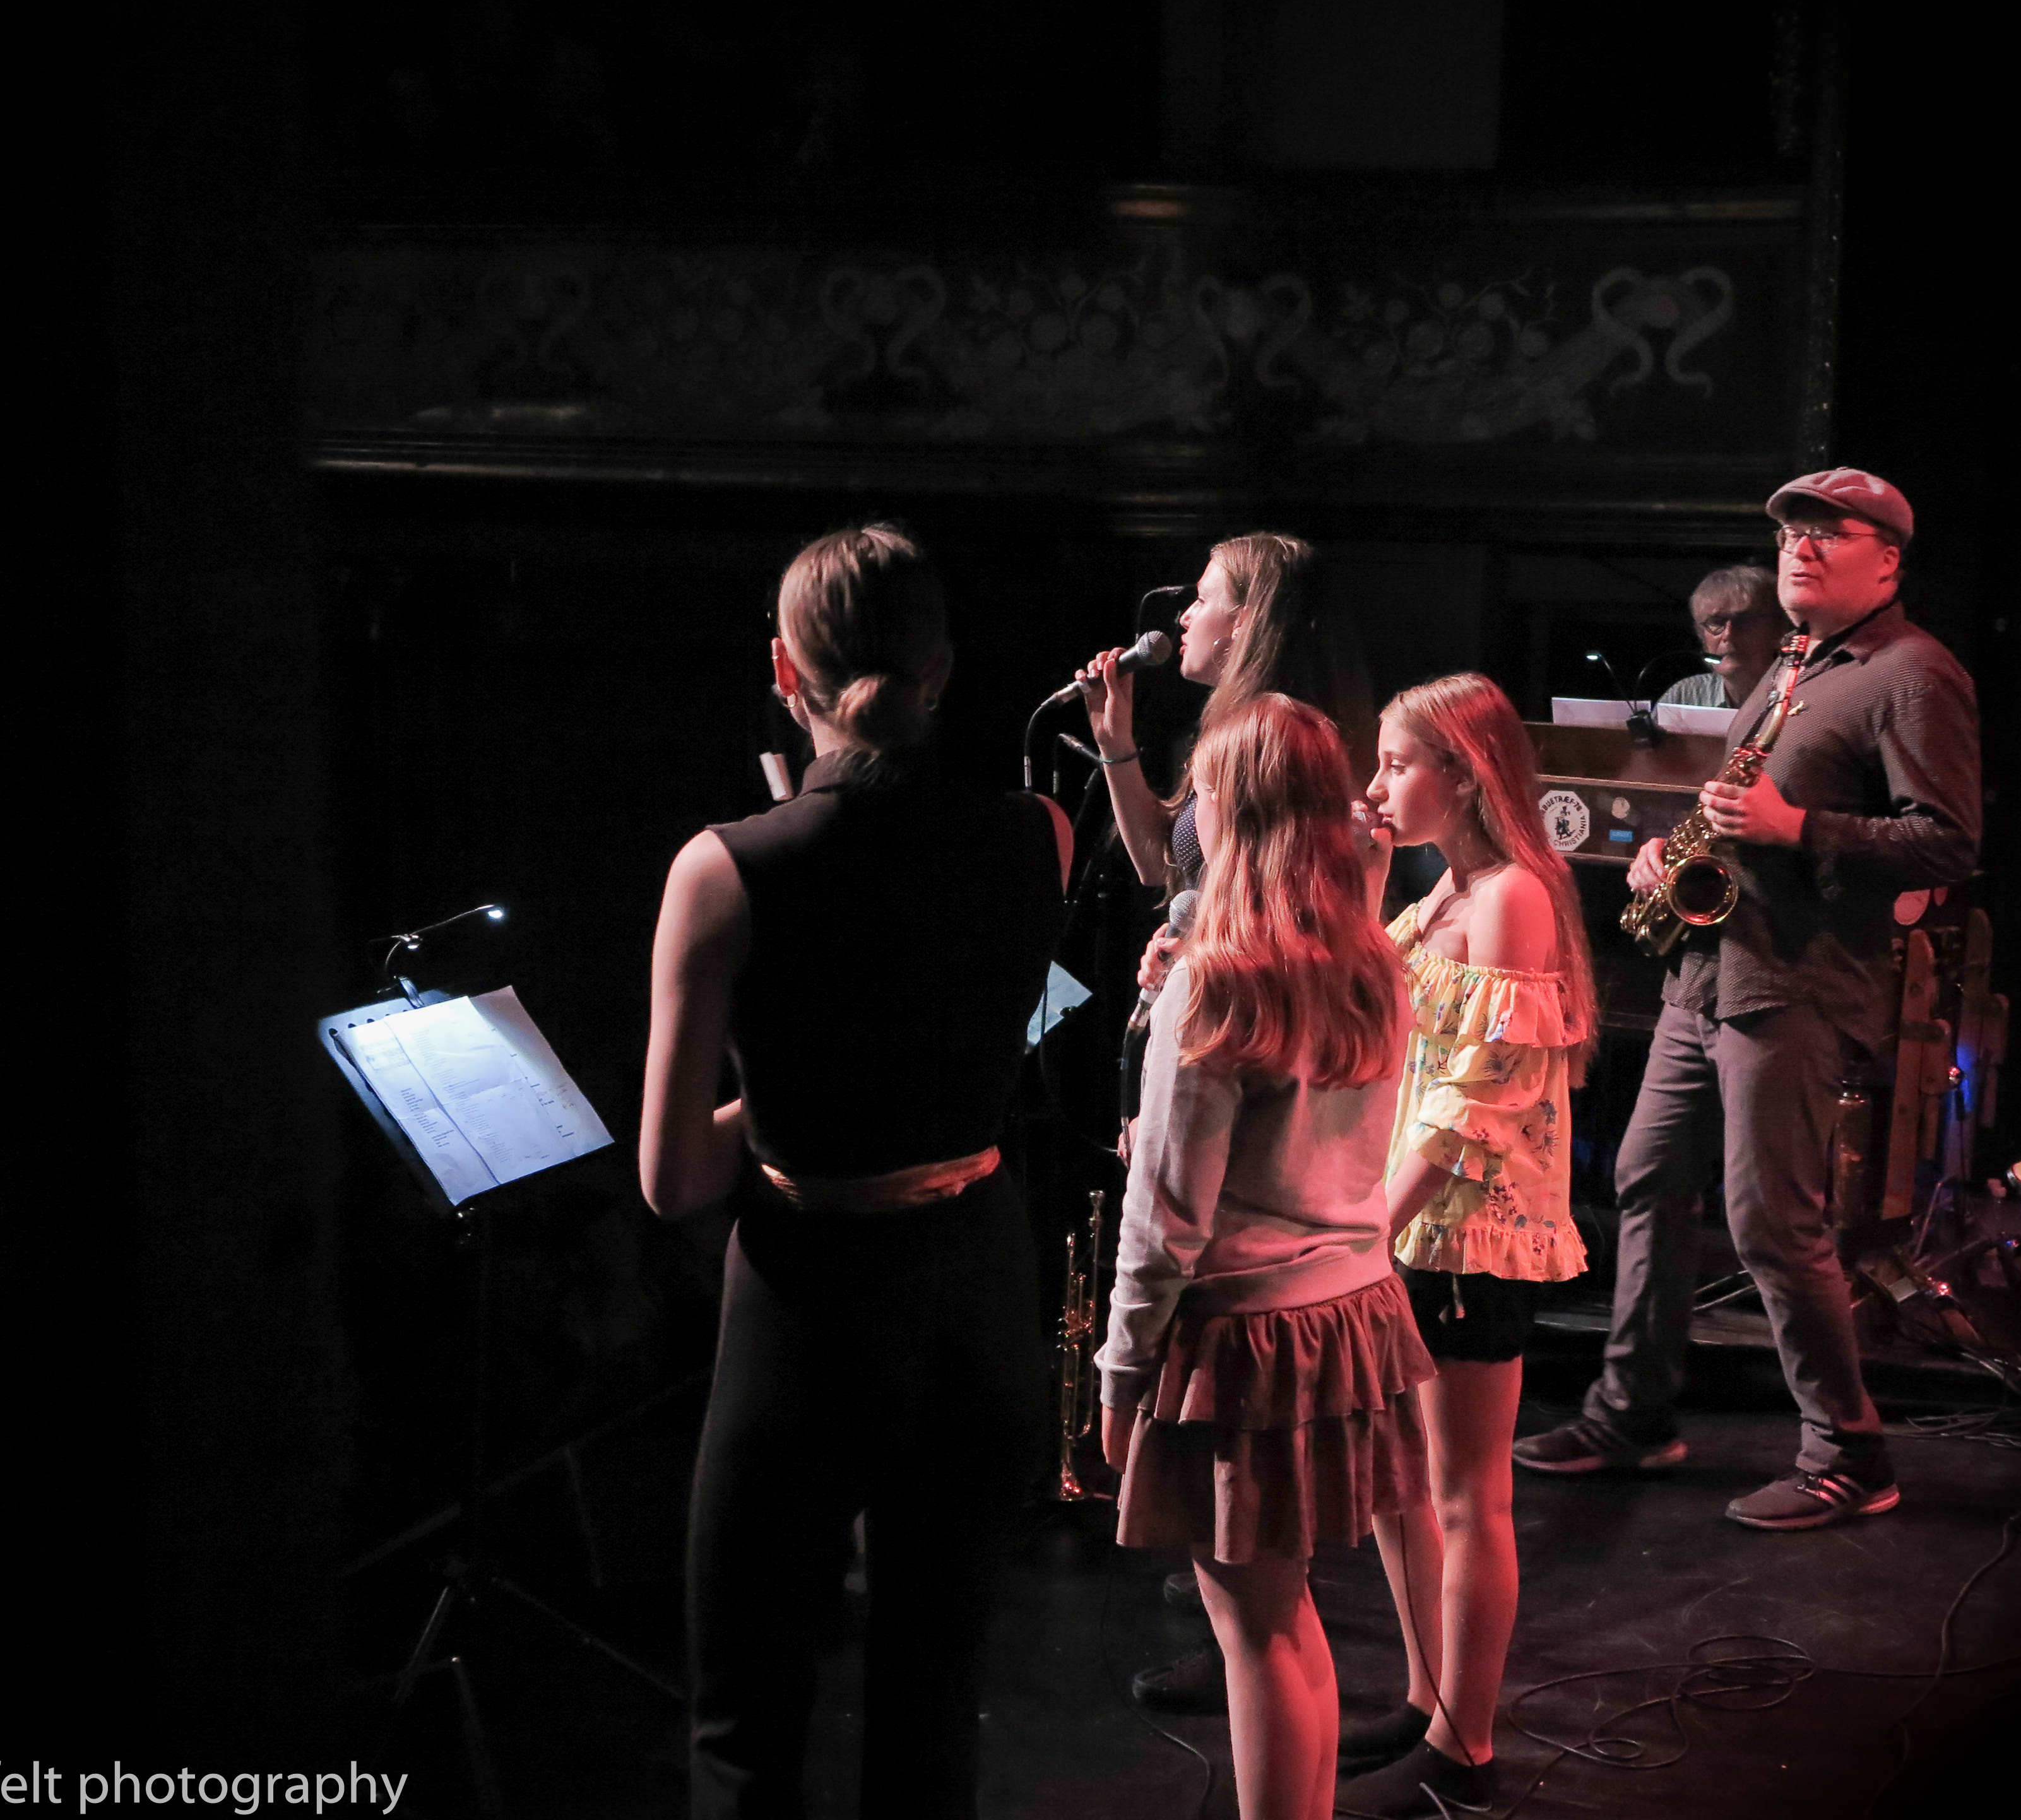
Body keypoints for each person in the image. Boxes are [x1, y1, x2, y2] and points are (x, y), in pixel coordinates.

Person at [639, 523, 1070, 1819]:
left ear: (785, 666)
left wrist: (778, 1090)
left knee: (745, 1726)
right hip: (975, 1288)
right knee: (931, 1702)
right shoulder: (1040, 833)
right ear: (939, 671)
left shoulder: (725, 867)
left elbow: (674, 1176)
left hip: (809, 1298)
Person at [1515, 468, 1982, 1530]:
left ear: (1890, 559)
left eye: (1833, 532)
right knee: (1645, 1175)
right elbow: (1740, 809)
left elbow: (1950, 839)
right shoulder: (1792, 667)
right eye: (1792, 535)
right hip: (1706, 971)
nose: (1803, 549)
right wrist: (1663, 855)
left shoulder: (1915, 673)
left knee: (1772, 1219)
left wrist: (1799, 830)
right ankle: (1632, 1409)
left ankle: (1848, 1451)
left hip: (1795, 984)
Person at [1096, 692, 1434, 1820]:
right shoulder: (1372, 960)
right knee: (1290, 1621)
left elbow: (1167, 1218)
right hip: (1353, 1312)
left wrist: (1118, 1370)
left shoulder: (1219, 976)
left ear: (1225, 813)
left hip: (1244, 1336)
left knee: (1256, 1629)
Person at [1341, 673, 1599, 1819]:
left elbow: (1481, 1095)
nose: (1377, 782)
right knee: (1403, 1483)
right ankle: (1423, 1689)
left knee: (1463, 1489)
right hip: (1408, 1217)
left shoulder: (1510, 896)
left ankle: (1468, 1737)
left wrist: (1378, 1222)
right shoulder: (1437, 891)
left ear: (1465, 770)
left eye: (1397, 762)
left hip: (1463, 1232)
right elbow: (1365, 1008)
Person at [1076, 531, 1374, 897]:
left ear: (1242, 623)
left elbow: (1257, 896)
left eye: (1201, 600)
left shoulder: (1270, 734)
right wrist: (1114, 738)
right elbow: (1158, 866)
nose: (1185, 617)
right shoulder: (1239, 725)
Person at [1658, 564, 1786, 709]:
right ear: (1701, 633)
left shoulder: (1802, 695)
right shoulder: (1685, 695)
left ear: (1778, 629)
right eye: (1717, 622)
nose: (1728, 634)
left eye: (1744, 621)